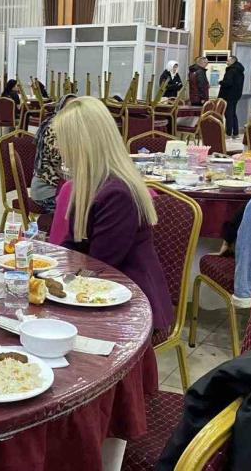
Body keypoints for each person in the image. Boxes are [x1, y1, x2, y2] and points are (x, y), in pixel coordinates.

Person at [52, 96, 174, 332]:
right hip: (105, 287)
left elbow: (101, 264)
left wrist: (57, 282)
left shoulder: (118, 194)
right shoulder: (89, 183)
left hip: (130, 302)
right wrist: (47, 270)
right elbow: (74, 243)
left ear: (82, 143)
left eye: (62, 140)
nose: (57, 147)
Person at [30, 94, 76, 213]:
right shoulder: (53, 128)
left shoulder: (70, 128)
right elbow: (60, 160)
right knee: (81, 210)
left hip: (62, 186)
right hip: (48, 190)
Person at [218, 55, 245, 137]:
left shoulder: (231, 70)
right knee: (233, 113)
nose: (226, 62)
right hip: (236, 95)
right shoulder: (240, 71)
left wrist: (221, 82)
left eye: (228, 60)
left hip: (228, 95)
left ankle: (228, 133)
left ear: (233, 61)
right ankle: (235, 133)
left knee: (228, 114)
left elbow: (228, 83)